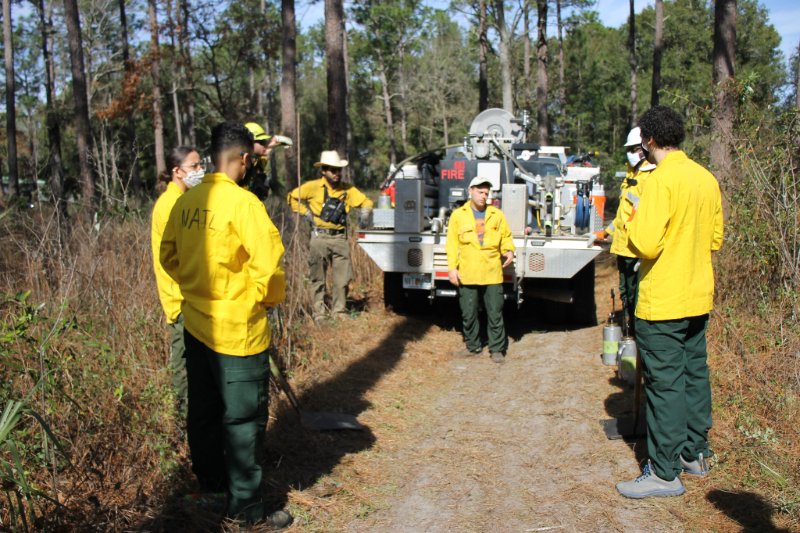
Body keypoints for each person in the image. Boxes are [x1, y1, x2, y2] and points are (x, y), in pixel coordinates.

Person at [160, 122, 291, 527]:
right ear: (244, 159)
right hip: (238, 334)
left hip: (196, 328)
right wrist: (260, 300)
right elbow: (268, 269)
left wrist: (197, 289)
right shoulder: (245, 204)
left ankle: (213, 492)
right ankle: (247, 510)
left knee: (203, 414)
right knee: (243, 421)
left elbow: (168, 257)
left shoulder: (186, 201)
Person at [615, 106, 724, 499]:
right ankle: (694, 454)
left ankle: (664, 472)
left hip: (663, 302)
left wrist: (634, 218)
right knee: (695, 376)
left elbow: (645, 243)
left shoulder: (658, 183)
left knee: (665, 386)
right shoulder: (705, 178)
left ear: (648, 140)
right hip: (697, 297)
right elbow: (714, 240)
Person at [287, 150, 373, 323]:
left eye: (339, 170)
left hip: (340, 238)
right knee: (317, 278)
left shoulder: (348, 190)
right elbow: (292, 196)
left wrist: (365, 212)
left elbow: (367, 201)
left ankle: (339, 312)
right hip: (319, 237)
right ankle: (319, 314)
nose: (336, 173)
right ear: (323, 171)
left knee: (342, 279)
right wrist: (306, 213)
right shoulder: (312, 187)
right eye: (332, 169)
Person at [151, 146, 204, 417]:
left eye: (200, 165)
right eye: (194, 166)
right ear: (177, 171)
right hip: (180, 299)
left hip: (190, 298)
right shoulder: (171, 204)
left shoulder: (183, 199)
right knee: (183, 363)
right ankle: (185, 418)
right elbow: (174, 258)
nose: (200, 171)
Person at [446, 177, 516, 364]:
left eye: (486, 193)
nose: (484, 196)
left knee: (495, 312)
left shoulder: (496, 214)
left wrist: (508, 250)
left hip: (492, 272)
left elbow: (506, 236)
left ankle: (496, 350)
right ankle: (473, 347)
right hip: (468, 272)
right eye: (480, 192)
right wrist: (452, 268)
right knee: (468, 312)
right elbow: (451, 244)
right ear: (470, 191)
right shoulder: (458, 215)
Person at [602, 127, 657, 334]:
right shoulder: (631, 174)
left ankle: (637, 337)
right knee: (626, 292)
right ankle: (629, 334)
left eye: (634, 149)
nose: (631, 153)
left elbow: (645, 214)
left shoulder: (650, 177)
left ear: (645, 149)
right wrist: (606, 232)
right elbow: (623, 213)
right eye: (629, 149)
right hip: (623, 247)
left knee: (636, 295)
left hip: (636, 248)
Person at [244, 122, 293, 200]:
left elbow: (266, 152)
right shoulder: (239, 167)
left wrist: (276, 142)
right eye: (262, 142)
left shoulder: (258, 163)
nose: (266, 145)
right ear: (249, 143)